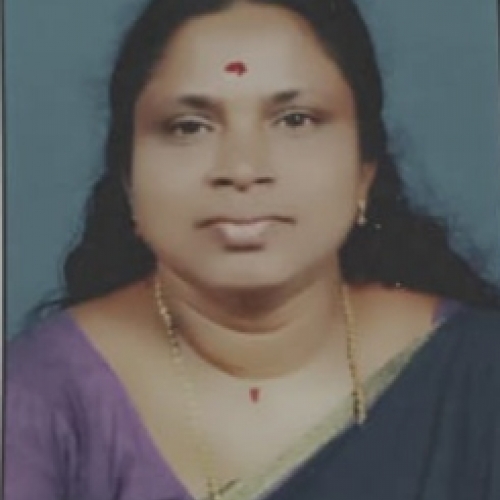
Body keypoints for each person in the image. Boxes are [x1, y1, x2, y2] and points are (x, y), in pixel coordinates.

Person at [6, 0, 500, 499]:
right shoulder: (38, 393)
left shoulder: (478, 374)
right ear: (129, 180)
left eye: (295, 120)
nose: (242, 169)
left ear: (364, 170)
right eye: (189, 126)